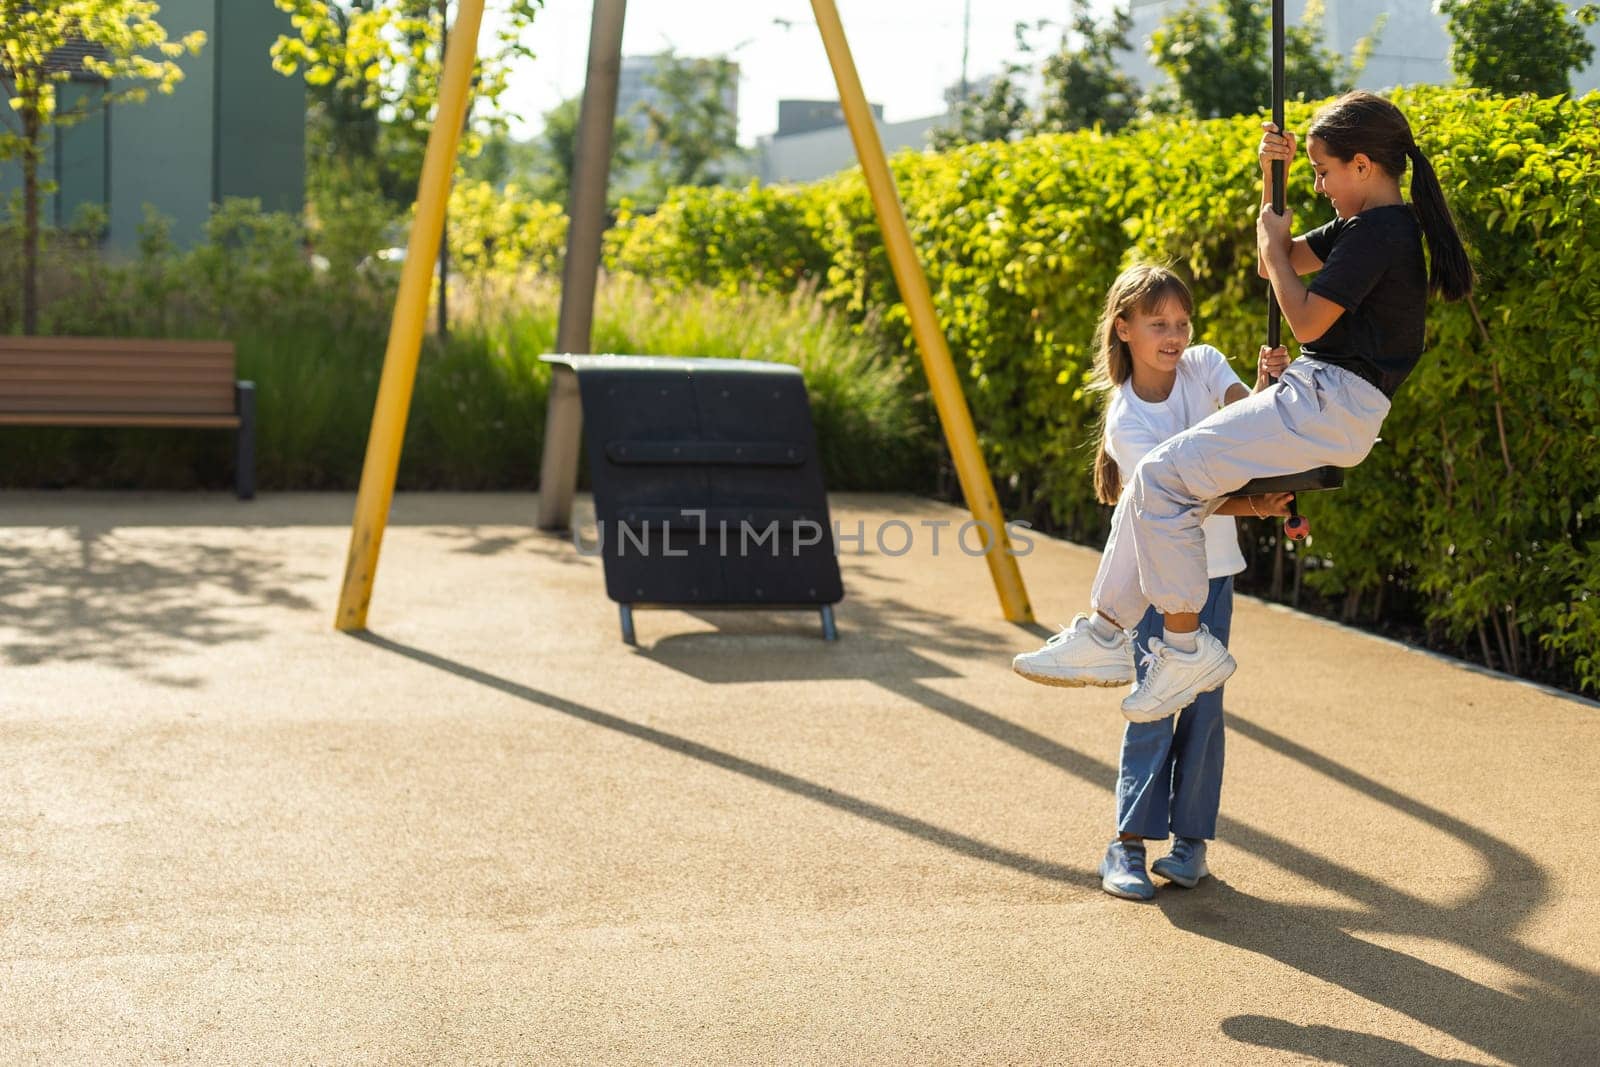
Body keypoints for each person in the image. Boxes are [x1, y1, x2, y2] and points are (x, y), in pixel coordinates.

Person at [1013, 91, 1474, 733]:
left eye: (1322, 172)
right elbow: (1274, 261)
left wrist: (1275, 242)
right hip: (1325, 399)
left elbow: (1305, 313)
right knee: (1158, 484)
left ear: (1364, 166)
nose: (1318, 185)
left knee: (1161, 477)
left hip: (1328, 399)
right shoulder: (1362, 228)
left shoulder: (1382, 233)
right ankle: (1107, 632)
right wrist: (1271, 181)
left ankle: (1181, 647)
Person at [1015, 263, 1292, 899]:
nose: (1174, 335)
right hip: (1154, 580)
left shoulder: (1203, 364)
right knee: (1153, 704)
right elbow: (1180, 499)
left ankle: (1192, 844)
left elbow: (1245, 428)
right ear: (1124, 329)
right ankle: (1128, 845)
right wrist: (1249, 505)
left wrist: (1264, 389)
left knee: (1203, 705)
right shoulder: (1126, 421)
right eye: (1157, 323)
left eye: (1181, 322)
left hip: (1214, 572)